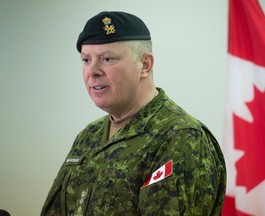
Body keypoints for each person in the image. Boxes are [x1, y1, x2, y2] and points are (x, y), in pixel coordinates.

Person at [41, 11, 226, 215]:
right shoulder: (88, 136)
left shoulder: (180, 138)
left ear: (145, 65)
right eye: (86, 60)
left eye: (107, 59)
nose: (93, 70)